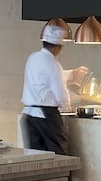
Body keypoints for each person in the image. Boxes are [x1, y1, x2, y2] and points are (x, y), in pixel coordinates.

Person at [21, 20, 74, 155]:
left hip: (28, 116)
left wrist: (70, 74)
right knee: (58, 156)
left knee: (36, 158)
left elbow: (41, 82)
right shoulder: (52, 63)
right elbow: (60, 93)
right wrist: (67, 107)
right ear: (58, 47)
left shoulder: (33, 58)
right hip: (47, 116)